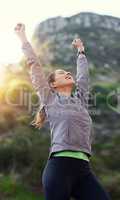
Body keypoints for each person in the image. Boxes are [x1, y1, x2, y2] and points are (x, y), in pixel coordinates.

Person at [14, 23, 111, 200]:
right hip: (59, 168)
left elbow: (83, 77)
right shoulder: (49, 99)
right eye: (61, 73)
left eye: (67, 71)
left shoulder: (80, 100)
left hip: (84, 170)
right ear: (53, 84)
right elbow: (34, 66)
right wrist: (23, 39)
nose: (67, 72)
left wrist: (81, 52)